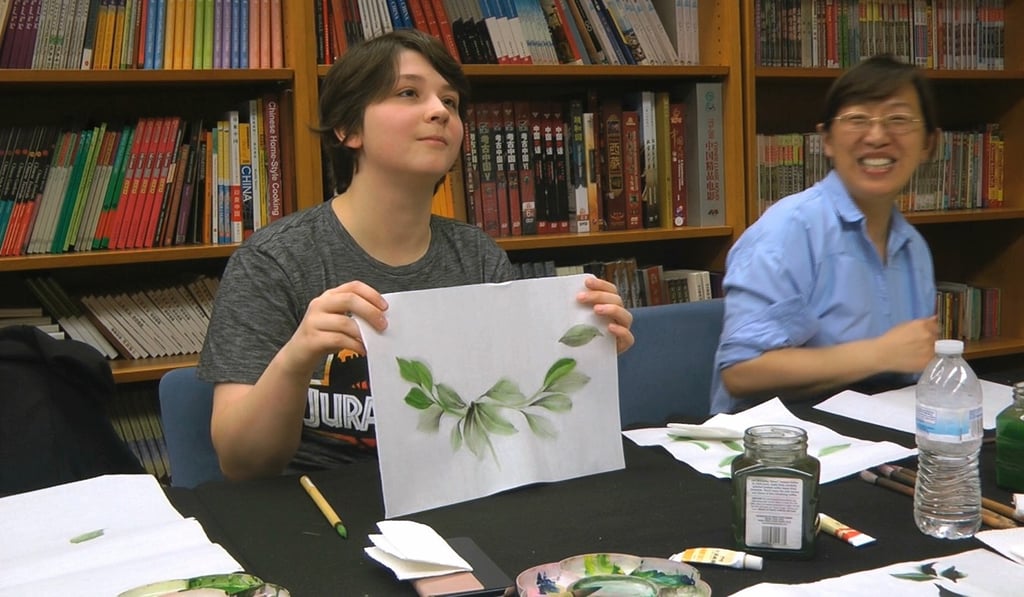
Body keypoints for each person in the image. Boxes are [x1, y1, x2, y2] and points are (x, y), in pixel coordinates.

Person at [198, 30, 635, 481]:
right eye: (409, 93)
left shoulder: (477, 256)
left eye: (450, 102)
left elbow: (509, 418)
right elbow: (242, 463)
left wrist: (585, 351)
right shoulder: (274, 261)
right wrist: (296, 358)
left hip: (457, 491)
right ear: (348, 128)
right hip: (322, 508)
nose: (439, 112)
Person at [710, 54, 940, 414]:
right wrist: (878, 354)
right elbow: (741, 371)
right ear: (827, 141)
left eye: (899, 119)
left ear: (928, 144)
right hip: (781, 447)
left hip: (878, 436)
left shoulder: (914, 248)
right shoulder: (790, 230)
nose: (877, 136)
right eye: (857, 119)